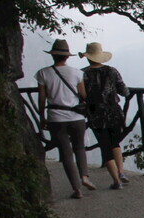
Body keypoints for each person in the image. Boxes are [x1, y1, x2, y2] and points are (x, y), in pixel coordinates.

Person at [36, 39, 95, 199]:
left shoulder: (43, 73)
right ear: (67, 56)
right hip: (77, 117)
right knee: (80, 147)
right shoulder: (77, 73)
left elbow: (42, 98)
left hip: (56, 118)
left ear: (53, 55)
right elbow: (83, 95)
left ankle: (77, 189)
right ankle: (85, 177)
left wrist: (42, 117)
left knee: (66, 153)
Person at [80, 42, 130, 190]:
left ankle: (117, 181)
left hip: (95, 114)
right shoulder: (112, 71)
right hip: (114, 112)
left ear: (88, 57)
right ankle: (121, 172)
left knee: (105, 146)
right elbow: (124, 91)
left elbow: (81, 95)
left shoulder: (82, 74)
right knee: (115, 142)